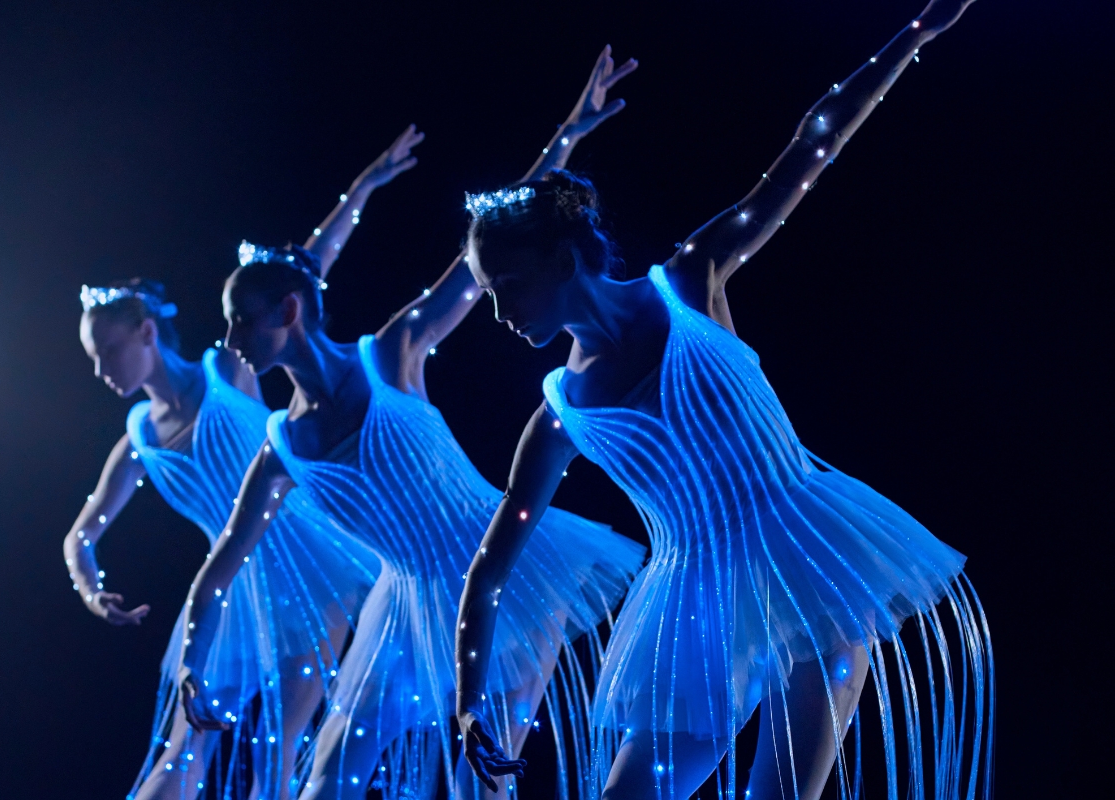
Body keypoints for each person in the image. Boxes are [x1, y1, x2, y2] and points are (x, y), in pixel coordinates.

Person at [455, 6, 993, 800]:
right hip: (694, 608)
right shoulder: (560, 414)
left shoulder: (689, 284)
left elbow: (813, 144)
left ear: (565, 260)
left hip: (813, 554)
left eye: (506, 287)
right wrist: (468, 704)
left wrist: (916, 31)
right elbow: (489, 567)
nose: (498, 313)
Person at [176, 49, 646, 800]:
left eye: (242, 322)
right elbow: (222, 564)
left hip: (507, 577)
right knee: (327, 776)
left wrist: (568, 132)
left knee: (483, 776)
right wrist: (192, 664)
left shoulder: (391, 353)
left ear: (288, 314)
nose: (229, 341)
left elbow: (480, 259)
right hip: (402, 605)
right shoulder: (282, 449)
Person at [65, 126, 425, 800]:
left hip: (313, 561)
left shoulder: (228, 365)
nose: (101, 368)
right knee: (183, 746)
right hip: (231, 587)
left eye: (108, 350)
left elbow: (305, 268)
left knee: (280, 750)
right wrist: (91, 589)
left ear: (146, 332)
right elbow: (81, 532)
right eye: (93, 356)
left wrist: (366, 185)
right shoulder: (138, 438)